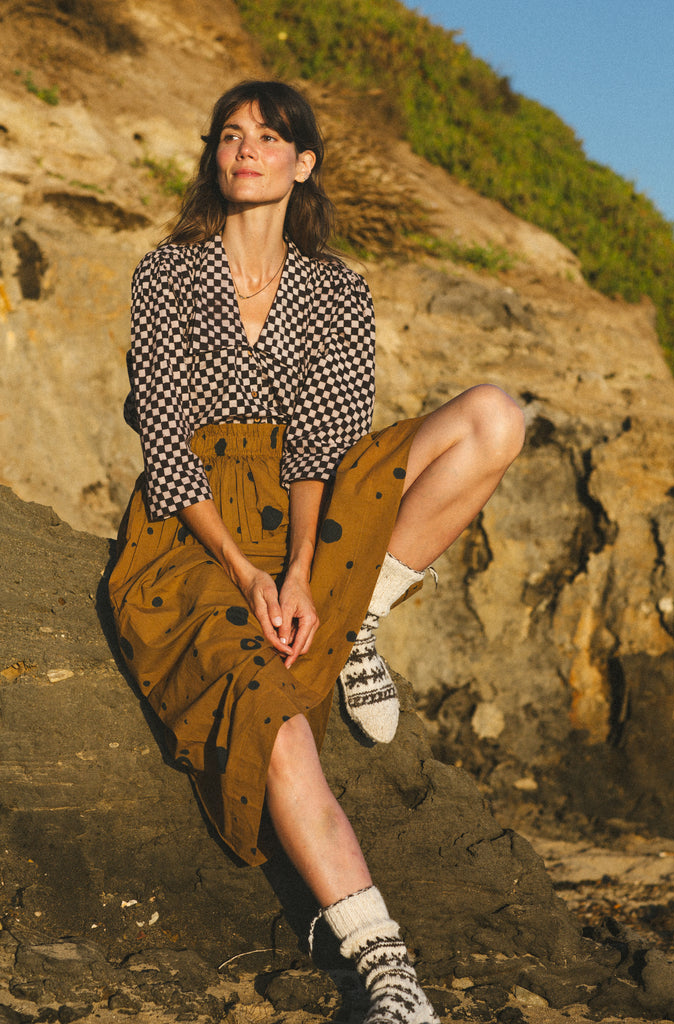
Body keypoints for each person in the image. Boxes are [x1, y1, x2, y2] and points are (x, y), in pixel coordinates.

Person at [109, 79, 525, 1024]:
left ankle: (360, 615)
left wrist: (301, 571)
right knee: (273, 710)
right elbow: (167, 445)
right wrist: (251, 576)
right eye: (229, 135)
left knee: (494, 415)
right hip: (195, 525)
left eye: (269, 137)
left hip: (306, 507)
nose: (244, 149)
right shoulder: (165, 273)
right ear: (214, 158)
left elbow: (326, 447)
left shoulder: (337, 288)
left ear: (304, 164)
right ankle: (388, 974)